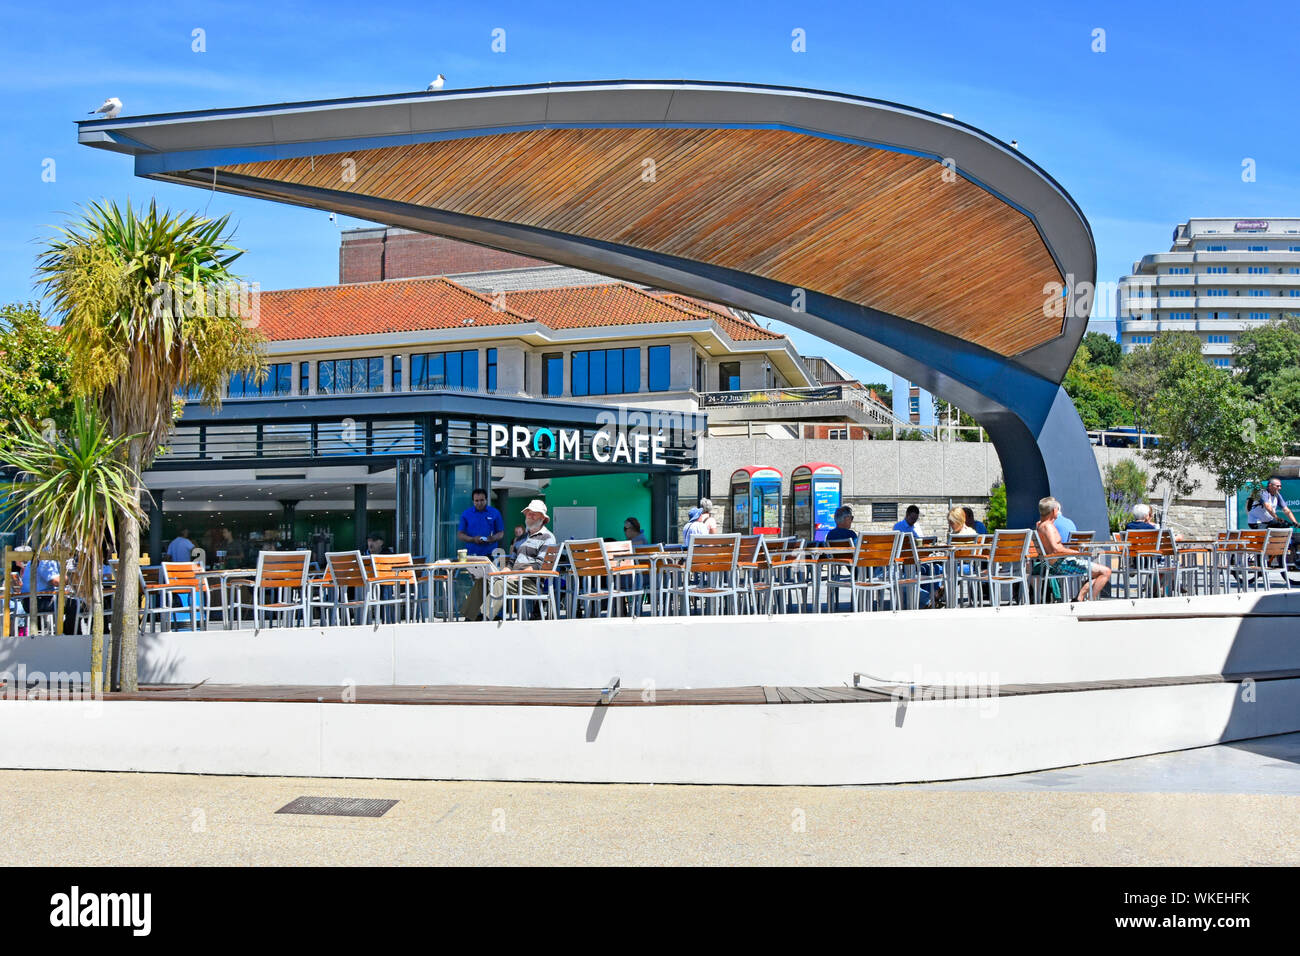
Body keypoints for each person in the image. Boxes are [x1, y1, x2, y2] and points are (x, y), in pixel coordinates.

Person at [468, 500, 557, 621]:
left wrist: (515, 576)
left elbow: (539, 566)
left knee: (500, 583)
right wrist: (501, 573)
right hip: (514, 579)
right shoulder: (520, 539)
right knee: (482, 581)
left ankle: (485, 618)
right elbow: (511, 564)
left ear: (542, 518)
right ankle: (469, 618)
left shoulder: (548, 537)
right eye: (528, 513)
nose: (529, 516)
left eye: (534, 513)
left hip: (532, 582)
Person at [1037, 496, 1110, 601]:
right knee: (1106, 572)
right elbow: (1056, 549)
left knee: (1099, 572)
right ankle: (1088, 601)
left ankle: (1080, 597)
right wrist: (1077, 553)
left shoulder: (1041, 525)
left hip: (1055, 564)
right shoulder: (1048, 526)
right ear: (1054, 511)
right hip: (1061, 565)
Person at [457, 488, 504, 558]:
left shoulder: (495, 512)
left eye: (482, 500)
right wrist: (473, 539)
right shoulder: (466, 514)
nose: (479, 503)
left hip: (491, 554)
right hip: (472, 554)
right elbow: (460, 535)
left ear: (486, 500)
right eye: (476, 501)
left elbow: (501, 533)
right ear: (473, 501)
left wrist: (491, 538)